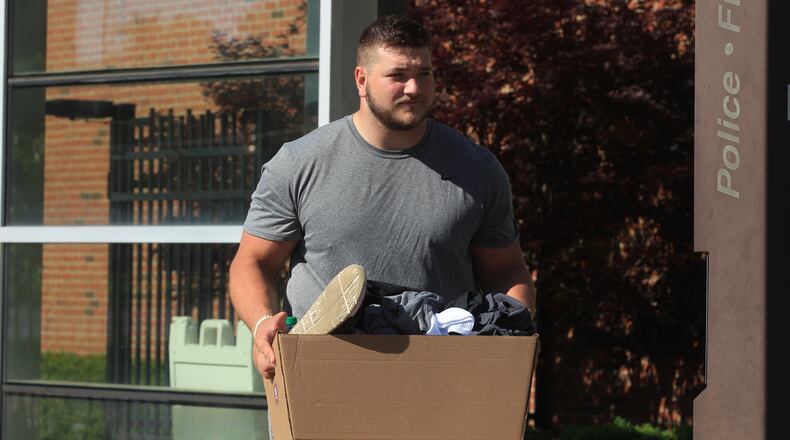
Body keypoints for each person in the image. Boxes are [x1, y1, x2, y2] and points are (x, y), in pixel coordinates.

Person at [229, 14, 536, 381]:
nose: (414, 88)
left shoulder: (478, 170)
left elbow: (506, 269)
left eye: (425, 74)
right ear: (362, 80)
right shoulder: (299, 163)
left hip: (439, 382)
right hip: (322, 381)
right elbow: (253, 263)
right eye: (398, 75)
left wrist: (512, 336)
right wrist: (262, 322)